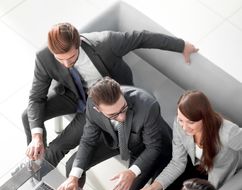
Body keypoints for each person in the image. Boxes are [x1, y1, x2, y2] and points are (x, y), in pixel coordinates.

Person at [23, 22, 197, 167]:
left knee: (57, 147)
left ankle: (39, 172)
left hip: (103, 102)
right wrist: (37, 136)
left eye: (71, 57)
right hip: (73, 94)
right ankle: (37, 155)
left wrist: (181, 46)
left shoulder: (106, 44)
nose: (66, 63)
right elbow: (36, 97)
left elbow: (142, 38)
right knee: (28, 117)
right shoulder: (44, 57)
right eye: (60, 59)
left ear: (78, 44)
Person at [54, 77, 172, 190]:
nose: (122, 117)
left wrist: (132, 172)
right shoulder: (92, 104)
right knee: (72, 166)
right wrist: (73, 178)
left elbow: (154, 147)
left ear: (121, 93)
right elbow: (88, 140)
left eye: (123, 108)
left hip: (147, 148)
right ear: (98, 109)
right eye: (114, 114)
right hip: (115, 138)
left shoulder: (148, 105)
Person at [132, 90, 242, 190]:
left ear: (205, 117)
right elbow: (178, 162)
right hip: (196, 164)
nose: (184, 127)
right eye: (181, 120)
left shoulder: (228, 133)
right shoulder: (180, 124)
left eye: (191, 122)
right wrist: (153, 187)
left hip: (217, 176)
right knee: (160, 185)